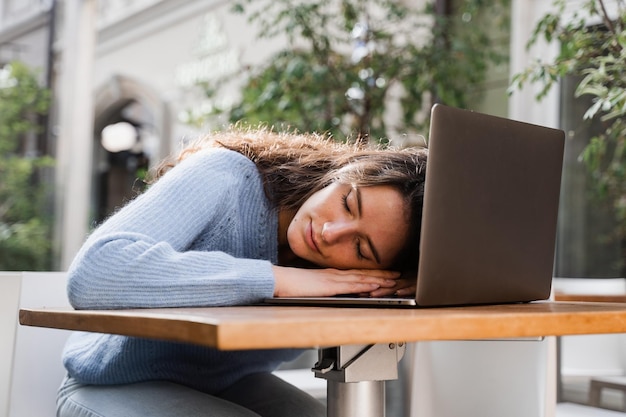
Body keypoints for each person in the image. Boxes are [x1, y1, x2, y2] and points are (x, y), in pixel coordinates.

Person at [57, 127, 428, 417]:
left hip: (227, 384)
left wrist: (422, 283)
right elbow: (94, 274)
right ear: (343, 171)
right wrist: (279, 279)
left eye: (361, 249)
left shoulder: (354, 281)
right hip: (111, 383)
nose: (331, 232)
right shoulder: (226, 175)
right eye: (348, 202)